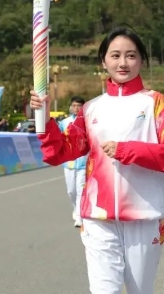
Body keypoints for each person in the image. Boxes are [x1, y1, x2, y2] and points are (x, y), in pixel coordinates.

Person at [29, 25, 164, 294]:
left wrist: (127, 150)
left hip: (143, 216)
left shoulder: (157, 104)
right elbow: (60, 152)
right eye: (115, 55)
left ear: (142, 61)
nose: (122, 62)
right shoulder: (91, 108)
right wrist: (44, 119)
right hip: (97, 218)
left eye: (131, 55)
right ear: (103, 61)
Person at [58, 96, 88, 228]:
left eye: (79, 106)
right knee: (71, 190)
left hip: (83, 162)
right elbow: (59, 140)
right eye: (74, 106)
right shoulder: (64, 123)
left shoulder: (88, 122)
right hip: (68, 163)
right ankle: (76, 208)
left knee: (81, 189)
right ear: (71, 107)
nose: (76, 108)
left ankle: (80, 217)